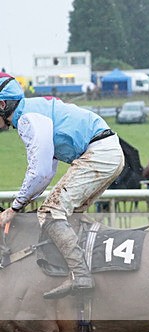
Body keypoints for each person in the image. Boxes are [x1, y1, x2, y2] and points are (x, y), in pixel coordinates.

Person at [0, 73, 124, 299]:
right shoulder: (31, 112)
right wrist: (26, 199)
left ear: (2, 104)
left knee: (49, 213)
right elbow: (47, 168)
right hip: (105, 150)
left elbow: (40, 171)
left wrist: (14, 208)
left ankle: (81, 275)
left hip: (99, 152)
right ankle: (86, 267)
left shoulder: (28, 119)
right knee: (70, 215)